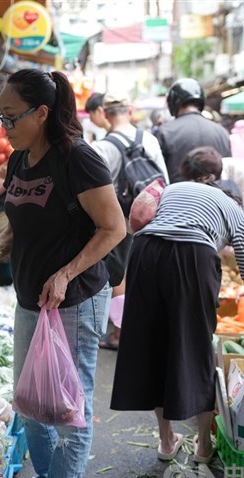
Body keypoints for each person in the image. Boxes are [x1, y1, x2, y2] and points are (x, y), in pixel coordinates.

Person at [0, 68, 126, 478]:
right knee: (30, 400)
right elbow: (18, 222)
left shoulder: (78, 160)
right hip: (30, 299)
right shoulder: (18, 161)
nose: (3, 127)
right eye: (1, 117)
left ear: (42, 113)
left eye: (11, 117)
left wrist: (68, 272)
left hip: (74, 302)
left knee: (71, 408)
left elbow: (115, 228)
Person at [110, 146, 244, 465]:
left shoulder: (176, 188)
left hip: (145, 252)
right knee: (196, 348)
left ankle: (166, 442)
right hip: (191, 258)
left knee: (155, 346)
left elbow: (146, 219)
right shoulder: (236, 213)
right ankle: (204, 447)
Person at [92, 93, 168, 349]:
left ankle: (119, 333)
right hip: (150, 218)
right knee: (143, 274)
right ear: (130, 110)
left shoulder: (102, 147)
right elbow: (163, 180)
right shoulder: (149, 139)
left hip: (120, 222)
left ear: (104, 112)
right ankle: (143, 330)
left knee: (118, 277)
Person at [157, 78, 231, 182]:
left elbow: (157, 174)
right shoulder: (222, 132)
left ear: (173, 102)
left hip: (179, 196)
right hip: (216, 196)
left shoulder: (165, 132)